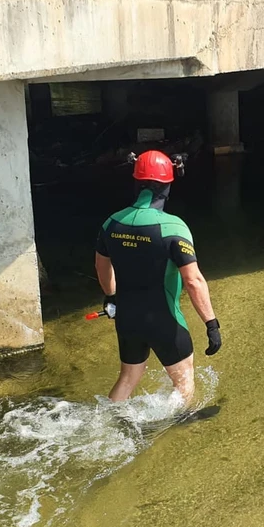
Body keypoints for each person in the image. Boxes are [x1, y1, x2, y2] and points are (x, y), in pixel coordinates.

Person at [94, 150, 222, 405]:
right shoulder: (173, 227)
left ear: (136, 181)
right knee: (184, 381)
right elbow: (193, 280)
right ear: (167, 185)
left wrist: (111, 297)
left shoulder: (111, 223)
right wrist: (211, 323)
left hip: (127, 318)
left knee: (128, 377)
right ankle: (180, 427)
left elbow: (102, 267)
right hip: (164, 320)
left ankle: (108, 421)